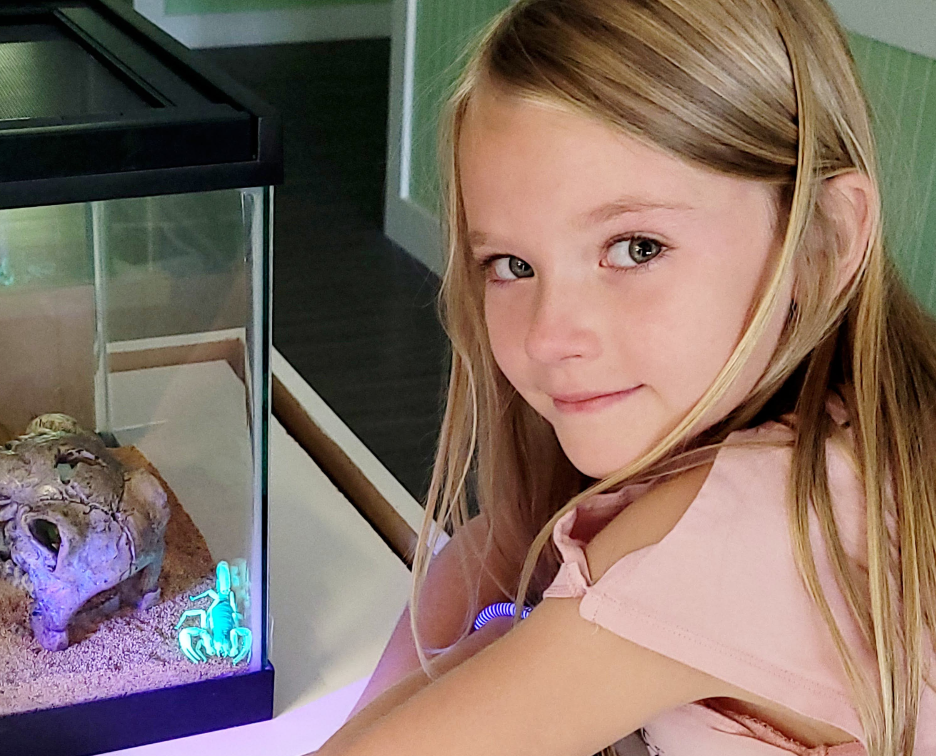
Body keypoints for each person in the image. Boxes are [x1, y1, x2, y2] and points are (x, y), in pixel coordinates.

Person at [312, 0, 936, 755]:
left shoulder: (747, 530)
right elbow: (504, 537)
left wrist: (517, 652)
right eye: (511, 265)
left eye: (636, 248)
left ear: (821, 241)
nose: (548, 336)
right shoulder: (853, 429)